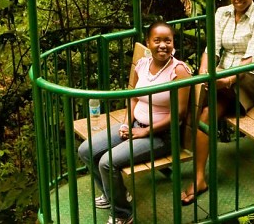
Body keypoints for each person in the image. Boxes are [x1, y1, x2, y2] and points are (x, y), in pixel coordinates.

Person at [77, 21, 191, 224]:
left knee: (107, 162)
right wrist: (126, 124)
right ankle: (114, 194)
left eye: (168, 40)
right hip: (136, 125)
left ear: (173, 43)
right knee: (86, 150)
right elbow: (133, 97)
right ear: (148, 42)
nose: (163, 45)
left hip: (161, 136)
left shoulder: (179, 71)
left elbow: (180, 114)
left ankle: (123, 214)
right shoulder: (143, 64)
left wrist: (146, 131)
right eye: (157, 40)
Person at [181, 0, 254, 205]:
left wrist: (226, 80)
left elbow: (250, 59)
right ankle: (199, 177)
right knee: (205, 114)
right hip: (221, 77)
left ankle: (193, 169)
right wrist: (204, 74)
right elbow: (212, 49)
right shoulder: (222, 13)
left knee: (203, 107)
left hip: (249, 79)